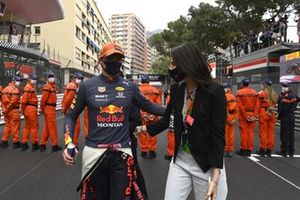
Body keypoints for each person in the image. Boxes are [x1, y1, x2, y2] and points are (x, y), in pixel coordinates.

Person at [62, 42, 164, 199]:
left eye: (119, 58)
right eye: (111, 58)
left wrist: (175, 110)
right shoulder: (86, 87)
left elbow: (150, 106)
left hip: (122, 153)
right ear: (100, 60)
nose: (116, 62)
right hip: (94, 153)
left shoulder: (130, 87)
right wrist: (69, 142)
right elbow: (70, 115)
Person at [136, 44, 227, 200]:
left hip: (206, 165)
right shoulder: (177, 88)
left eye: (174, 63)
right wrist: (143, 129)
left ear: (187, 63)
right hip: (180, 161)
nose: (171, 68)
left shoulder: (214, 91)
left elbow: (218, 134)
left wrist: (215, 176)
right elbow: (166, 119)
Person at [138, 75, 162, 159]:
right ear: (148, 82)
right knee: (153, 131)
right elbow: (158, 104)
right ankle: (152, 151)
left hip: (141, 115)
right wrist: (156, 115)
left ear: (141, 81)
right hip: (153, 114)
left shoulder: (137, 90)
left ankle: (144, 151)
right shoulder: (155, 90)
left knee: (142, 132)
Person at [236, 78, 259, 157]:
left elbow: (240, 106)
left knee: (244, 133)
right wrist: (254, 115)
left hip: (244, 115)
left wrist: (246, 116)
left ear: (242, 84)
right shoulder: (255, 93)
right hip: (252, 114)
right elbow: (257, 105)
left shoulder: (239, 92)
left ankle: (243, 150)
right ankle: (249, 150)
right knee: (250, 133)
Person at [40, 72, 62, 152]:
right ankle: (54, 145)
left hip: (50, 108)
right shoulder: (48, 87)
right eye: (50, 77)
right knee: (52, 127)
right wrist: (42, 109)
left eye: (52, 76)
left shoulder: (52, 87)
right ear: (47, 78)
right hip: (49, 109)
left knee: (47, 127)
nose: (52, 78)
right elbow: (43, 100)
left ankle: (42, 144)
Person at [61, 72, 84, 147]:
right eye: (79, 78)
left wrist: (64, 108)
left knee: (68, 127)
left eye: (81, 79)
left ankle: (69, 143)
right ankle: (74, 144)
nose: (80, 80)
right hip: (72, 109)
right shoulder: (73, 86)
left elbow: (65, 99)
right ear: (75, 78)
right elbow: (69, 99)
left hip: (70, 109)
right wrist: (65, 109)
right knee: (76, 128)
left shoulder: (71, 85)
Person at [277, 82, 298, 158]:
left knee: (284, 134)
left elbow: (283, 109)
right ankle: (291, 151)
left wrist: (279, 116)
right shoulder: (293, 95)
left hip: (286, 117)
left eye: (285, 86)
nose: (283, 88)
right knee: (291, 134)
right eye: (283, 86)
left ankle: (284, 151)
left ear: (288, 87)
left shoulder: (286, 96)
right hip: (292, 116)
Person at [257, 79, 277, 157]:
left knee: (263, 132)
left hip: (264, 112)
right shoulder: (274, 94)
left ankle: (262, 149)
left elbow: (258, 104)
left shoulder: (262, 93)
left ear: (264, 85)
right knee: (271, 133)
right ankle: (269, 150)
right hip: (272, 113)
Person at [1, 76, 22, 149]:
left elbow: (2, 101)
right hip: (13, 110)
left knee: (7, 126)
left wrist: (4, 109)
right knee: (15, 126)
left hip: (6, 111)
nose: (19, 82)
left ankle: (4, 141)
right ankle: (16, 142)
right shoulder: (15, 90)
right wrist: (7, 109)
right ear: (14, 81)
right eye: (18, 80)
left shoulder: (5, 89)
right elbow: (14, 101)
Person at [20, 73, 40, 152]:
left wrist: (23, 110)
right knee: (34, 126)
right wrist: (23, 109)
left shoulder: (29, 87)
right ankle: (35, 144)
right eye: (33, 79)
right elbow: (24, 100)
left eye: (35, 79)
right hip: (31, 109)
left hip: (27, 109)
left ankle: (24, 144)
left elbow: (24, 101)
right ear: (29, 79)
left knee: (27, 127)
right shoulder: (29, 88)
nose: (34, 80)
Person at [223, 83, 238, 158]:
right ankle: (230, 150)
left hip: (226, 117)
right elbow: (236, 109)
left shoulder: (223, 96)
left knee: (225, 134)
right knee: (231, 135)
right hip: (232, 117)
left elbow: (224, 109)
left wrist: (226, 118)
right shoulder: (233, 96)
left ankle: (225, 150)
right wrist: (235, 119)